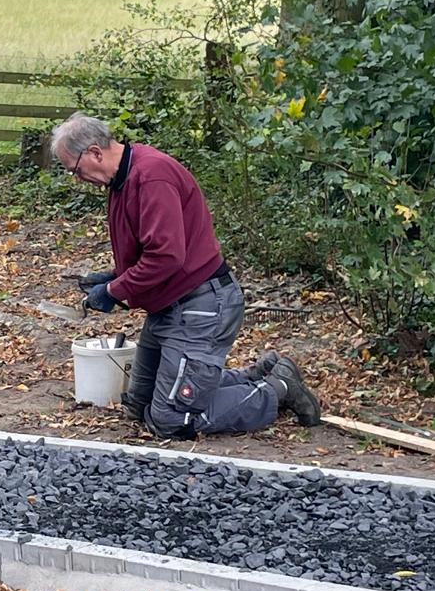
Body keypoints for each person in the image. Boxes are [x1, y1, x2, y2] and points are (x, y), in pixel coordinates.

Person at [50, 113, 321, 438]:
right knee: (139, 406)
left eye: (76, 170)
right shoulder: (122, 180)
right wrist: (111, 277)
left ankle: (279, 388)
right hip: (169, 306)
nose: (78, 179)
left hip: (201, 306)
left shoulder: (151, 177)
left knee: (170, 419)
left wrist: (113, 291)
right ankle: (259, 373)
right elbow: (150, 250)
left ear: (95, 152)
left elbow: (166, 257)